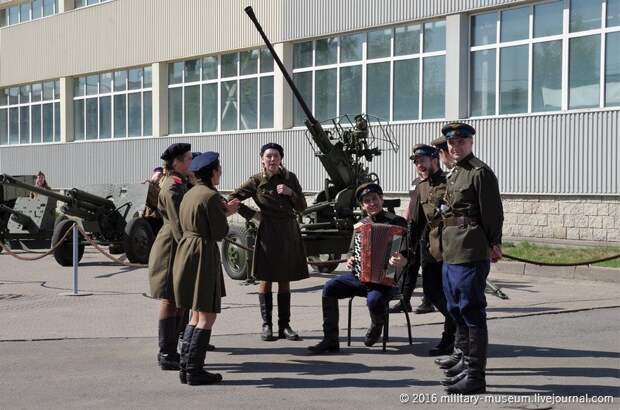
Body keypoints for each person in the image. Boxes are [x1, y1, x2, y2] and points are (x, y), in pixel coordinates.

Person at [438, 122, 504, 395]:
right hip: (451, 248)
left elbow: (492, 212)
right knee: (455, 309)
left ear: (471, 142)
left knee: (471, 311)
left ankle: (476, 377)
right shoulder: (455, 172)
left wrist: (495, 242)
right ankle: (464, 365)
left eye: (461, 142)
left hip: (471, 247)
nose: (456, 147)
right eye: (452, 143)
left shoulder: (480, 172)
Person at [308, 182, 408, 354]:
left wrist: (401, 260)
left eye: (375, 199)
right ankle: (330, 340)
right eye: (367, 201)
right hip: (360, 277)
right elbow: (351, 250)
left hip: (386, 280)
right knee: (330, 288)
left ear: (381, 199)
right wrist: (350, 259)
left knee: (374, 300)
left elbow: (409, 253)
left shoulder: (398, 222)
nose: (372, 203)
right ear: (362, 205)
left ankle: (377, 324)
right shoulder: (360, 225)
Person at [229, 143, 309, 342]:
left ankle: (285, 326)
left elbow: (302, 207)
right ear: (262, 159)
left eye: (276, 156)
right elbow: (232, 198)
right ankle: (267, 325)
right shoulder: (256, 181)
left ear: (281, 158)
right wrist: (254, 216)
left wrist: (291, 193)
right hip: (268, 232)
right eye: (268, 156)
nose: (272, 159)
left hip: (288, 230)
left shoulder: (290, 178)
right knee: (266, 278)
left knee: (285, 279)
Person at [173, 152, 240, 385]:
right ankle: (194, 370)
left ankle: (186, 367)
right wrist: (228, 213)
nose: (220, 173)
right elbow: (219, 232)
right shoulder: (211, 197)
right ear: (211, 173)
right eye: (219, 169)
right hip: (203, 253)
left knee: (196, 313)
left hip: (188, 250)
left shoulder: (190, 193)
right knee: (207, 314)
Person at [147, 143, 192, 371]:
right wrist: (190, 248)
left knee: (179, 298)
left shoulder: (181, 182)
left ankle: (174, 348)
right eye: (188, 159)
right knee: (170, 298)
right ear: (177, 163)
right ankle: (166, 352)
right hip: (171, 248)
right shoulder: (172, 187)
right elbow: (177, 224)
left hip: (177, 244)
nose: (191, 162)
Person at [408, 144, 455, 356]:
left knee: (451, 294)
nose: (420, 165)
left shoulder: (449, 182)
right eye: (417, 162)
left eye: (423, 161)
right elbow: (416, 221)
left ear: (434, 160)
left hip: (451, 245)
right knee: (432, 291)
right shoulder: (421, 185)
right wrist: (408, 249)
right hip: (429, 246)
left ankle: (451, 339)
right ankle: (458, 327)